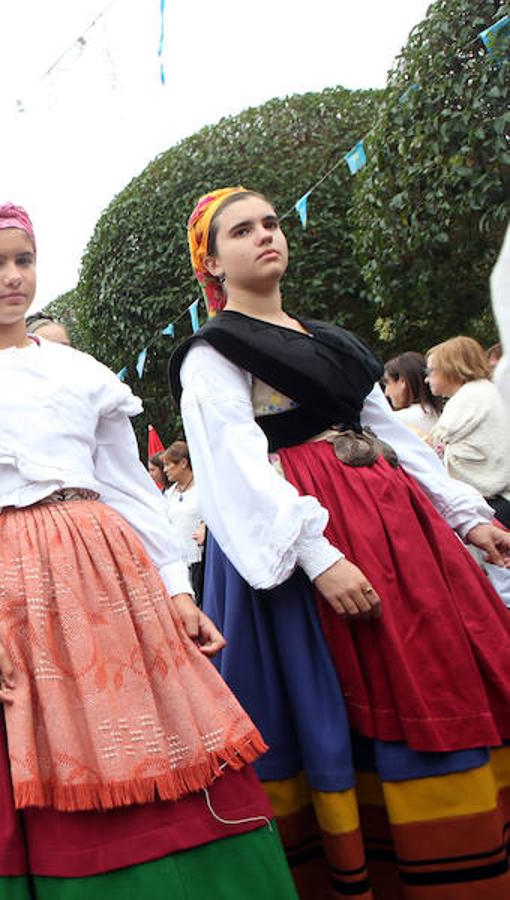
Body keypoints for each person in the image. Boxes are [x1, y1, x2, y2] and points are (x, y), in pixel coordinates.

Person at [0, 202, 289, 898]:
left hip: (115, 574)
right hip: (14, 585)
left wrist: (174, 589)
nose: (13, 277)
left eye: (24, 259)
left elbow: (129, 487)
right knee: (47, 759)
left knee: (168, 733)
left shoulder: (81, 371)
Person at [171, 186, 510, 896]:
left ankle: (465, 851)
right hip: (307, 536)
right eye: (242, 231)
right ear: (213, 262)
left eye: (270, 223)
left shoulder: (333, 340)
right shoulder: (214, 353)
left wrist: (465, 515)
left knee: (438, 668)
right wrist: (318, 557)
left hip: (399, 531)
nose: (265, 235)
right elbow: (233, 465)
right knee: (349, 695)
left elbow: (390, 436)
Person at [425, 335, 510, 525]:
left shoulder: (468, 397)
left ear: (451, 367)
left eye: (430, 370)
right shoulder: (486, 391)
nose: (426, 378)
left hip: (493, 505)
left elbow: (435, 447)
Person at [161, 440, 206, 600]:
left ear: (183, 463)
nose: (165, 470)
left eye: (168, 465)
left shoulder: (203, 488)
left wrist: (205, 527)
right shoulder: (169, 494)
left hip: (201, 562)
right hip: (179, 564)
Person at [382, 351, 442, 438]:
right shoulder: (437, 414)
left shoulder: (397, 420)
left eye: (387, 384)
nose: (386, 393)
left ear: (402, 381)